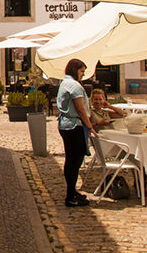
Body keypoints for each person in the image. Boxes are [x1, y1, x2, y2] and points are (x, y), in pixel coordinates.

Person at [56, 58, 97, 207]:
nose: (83, 75)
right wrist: (90, 126)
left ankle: (72, 192)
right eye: (82, 72)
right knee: (75, 161)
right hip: (74, 126)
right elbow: (80, 109)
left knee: (70, 160)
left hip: (65, 125)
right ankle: (70, 196)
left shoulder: (64, 83)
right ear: (75, 70)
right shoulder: (74, 86)